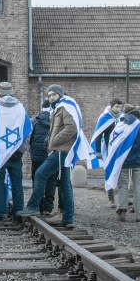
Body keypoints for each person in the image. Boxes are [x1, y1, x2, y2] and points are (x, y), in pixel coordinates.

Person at [16, 84, 90, 229]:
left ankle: (33, 206)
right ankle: (68, 219)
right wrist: (49, 138)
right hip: (63, 150)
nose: (50, 98)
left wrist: (53, 140)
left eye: (53, 95)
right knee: (65, 184)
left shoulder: (64, 107)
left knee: (40, 173)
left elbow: (72, 128)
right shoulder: (59, 108)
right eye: (49, 95)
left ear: (60, 95)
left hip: (61, 150)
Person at [0, 82, 31, 226]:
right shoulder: (21, 108)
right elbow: (27, 130)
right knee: (17, 184)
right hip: (15, 153)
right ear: (12, 92)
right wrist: (21, 150)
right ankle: (18, 216)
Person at [111, 104, 140, 222]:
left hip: (123, 161)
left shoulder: (120, 126)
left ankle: (122, 212)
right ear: (137, 116)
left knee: (123, 186)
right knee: (139, 188)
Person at [91, 98, 124, 206]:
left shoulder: (122, 117)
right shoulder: (105, 118)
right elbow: (98, 134)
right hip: (109, 149)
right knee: (109, 171)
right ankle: (111, 198)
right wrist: (98, 151)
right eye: (117, 107)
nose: (119, 109)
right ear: (112, 106)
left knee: (121, 172)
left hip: (120, 149)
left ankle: (122, 198)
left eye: (120, 107)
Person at [29, 101, 57, 215]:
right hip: (51, 155)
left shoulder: (35, 121)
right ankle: (48, 208)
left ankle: (37, 205)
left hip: (37, 157)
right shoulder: (55, 121)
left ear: (42, 108)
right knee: (51, 181)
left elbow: (29, 139)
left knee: (37, 180)